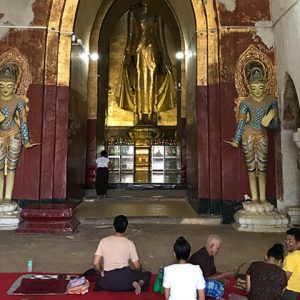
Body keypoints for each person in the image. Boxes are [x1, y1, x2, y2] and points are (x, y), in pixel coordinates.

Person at [225, 65, 280, 203]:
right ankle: (254, 197)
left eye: (260, 87)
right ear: (249, 87)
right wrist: (236, 139)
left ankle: (263, 197)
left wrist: (270, 120)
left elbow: (276, 126)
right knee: (251, 167)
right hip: (248, 135)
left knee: (262, 167)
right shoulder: (246, 103)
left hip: (262, 135)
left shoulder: (271, 102)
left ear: (265, 85)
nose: (257, 90)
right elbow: (242, 122)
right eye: (254, 88)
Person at [115, 1, 176, 125]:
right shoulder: (133, 13)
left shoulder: (156, 14)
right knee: (139, 81)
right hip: (138, 50)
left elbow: (160, 37)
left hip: (152, 49)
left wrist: (166, 57)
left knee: (152, 82)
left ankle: (152, 114)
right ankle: (138, 114)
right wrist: (126, 55)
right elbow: (131, 35)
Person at [0, 63, 35, 203]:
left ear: (15, 87)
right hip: (0, 136)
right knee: (0, 167)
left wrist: (26, 141)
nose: (5, 89)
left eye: (9, 86)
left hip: (14, 134)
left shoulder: (19, 101)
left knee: (12, 167)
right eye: (1, 86)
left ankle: (8, 197)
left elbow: (23, 121)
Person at [93, 215, 151, 294]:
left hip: (108, 283)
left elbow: (95, 263)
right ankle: (139, 283)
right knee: (147, 274)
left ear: (114, 226)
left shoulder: (104, 241)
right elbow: (137, 266)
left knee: (97, 275)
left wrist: (101, 272)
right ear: (126, 227)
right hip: (126, 281)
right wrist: (140, 271)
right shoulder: (129, 243)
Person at [281, 228, 300, 300]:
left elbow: (284, 280)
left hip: (290, 293)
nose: (287, 242)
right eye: (286, 240)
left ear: (298, 243)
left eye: (290, 241)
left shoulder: (291, 257)